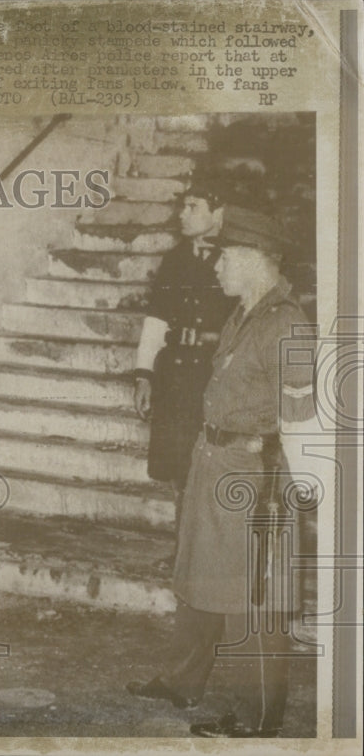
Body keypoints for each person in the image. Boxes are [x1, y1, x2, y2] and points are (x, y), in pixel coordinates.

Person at [126, 205, 323, 737]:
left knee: (258, 595)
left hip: (250, 474)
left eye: (226, 257)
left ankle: (260, 717)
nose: (216, 267)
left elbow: (302, 412)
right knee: (197, 575)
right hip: (213, 461)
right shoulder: (245, 313)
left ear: (258, 260)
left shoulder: (285, 325)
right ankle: (182, 680)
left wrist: (302, 488)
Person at [133, 178, 234, 524]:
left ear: (218, 212)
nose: (182, 214)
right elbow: (156, 318)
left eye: (193, 207)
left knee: (209, 465)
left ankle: (204, 553)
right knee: (177, 469)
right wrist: (144, 376)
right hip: (174, 375)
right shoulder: (175, 259)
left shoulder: (236, 258)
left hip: (214, 375)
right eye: (182, 206)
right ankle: (182, 551)